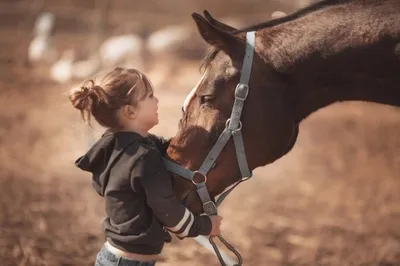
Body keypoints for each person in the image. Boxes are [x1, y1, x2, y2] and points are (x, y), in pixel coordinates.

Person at [68, 67, 223, 266]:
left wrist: (191, 115)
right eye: (150, 96)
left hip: (115, 258)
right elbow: (168, 211)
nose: (157, 101)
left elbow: (172, 149)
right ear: (130, 111)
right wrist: (206, 225)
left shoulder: (117, 145)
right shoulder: (144, 157)